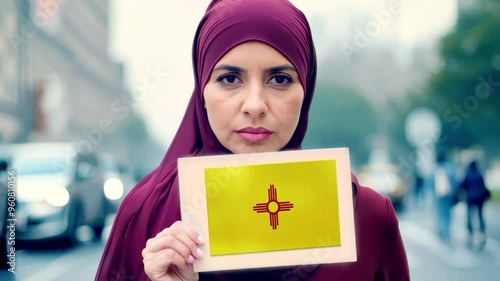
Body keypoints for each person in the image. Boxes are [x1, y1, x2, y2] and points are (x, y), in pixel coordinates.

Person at [95, 0, 410, 280]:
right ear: (201, 92)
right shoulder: (145, 215)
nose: (255, 105)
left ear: (306, 90)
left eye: (280, 79)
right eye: (230, 79)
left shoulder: (365, 216)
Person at [460, 160, 489, 248]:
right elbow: (483, 185)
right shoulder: (479, 174)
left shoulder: (468, 175)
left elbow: (463, 185)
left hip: (470, 198)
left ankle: (470, 233)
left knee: (469, 216)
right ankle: (482, 233)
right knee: (480, 216)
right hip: (480, 198)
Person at [431, 152, 458, 244]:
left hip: (439, 195)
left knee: (440, 214)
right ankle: (447, 232)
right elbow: (455, 182)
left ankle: (442, 231)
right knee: (448, 214)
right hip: (449, 195)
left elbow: (430, 183)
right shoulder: (450, 168)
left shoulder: (435, 169)